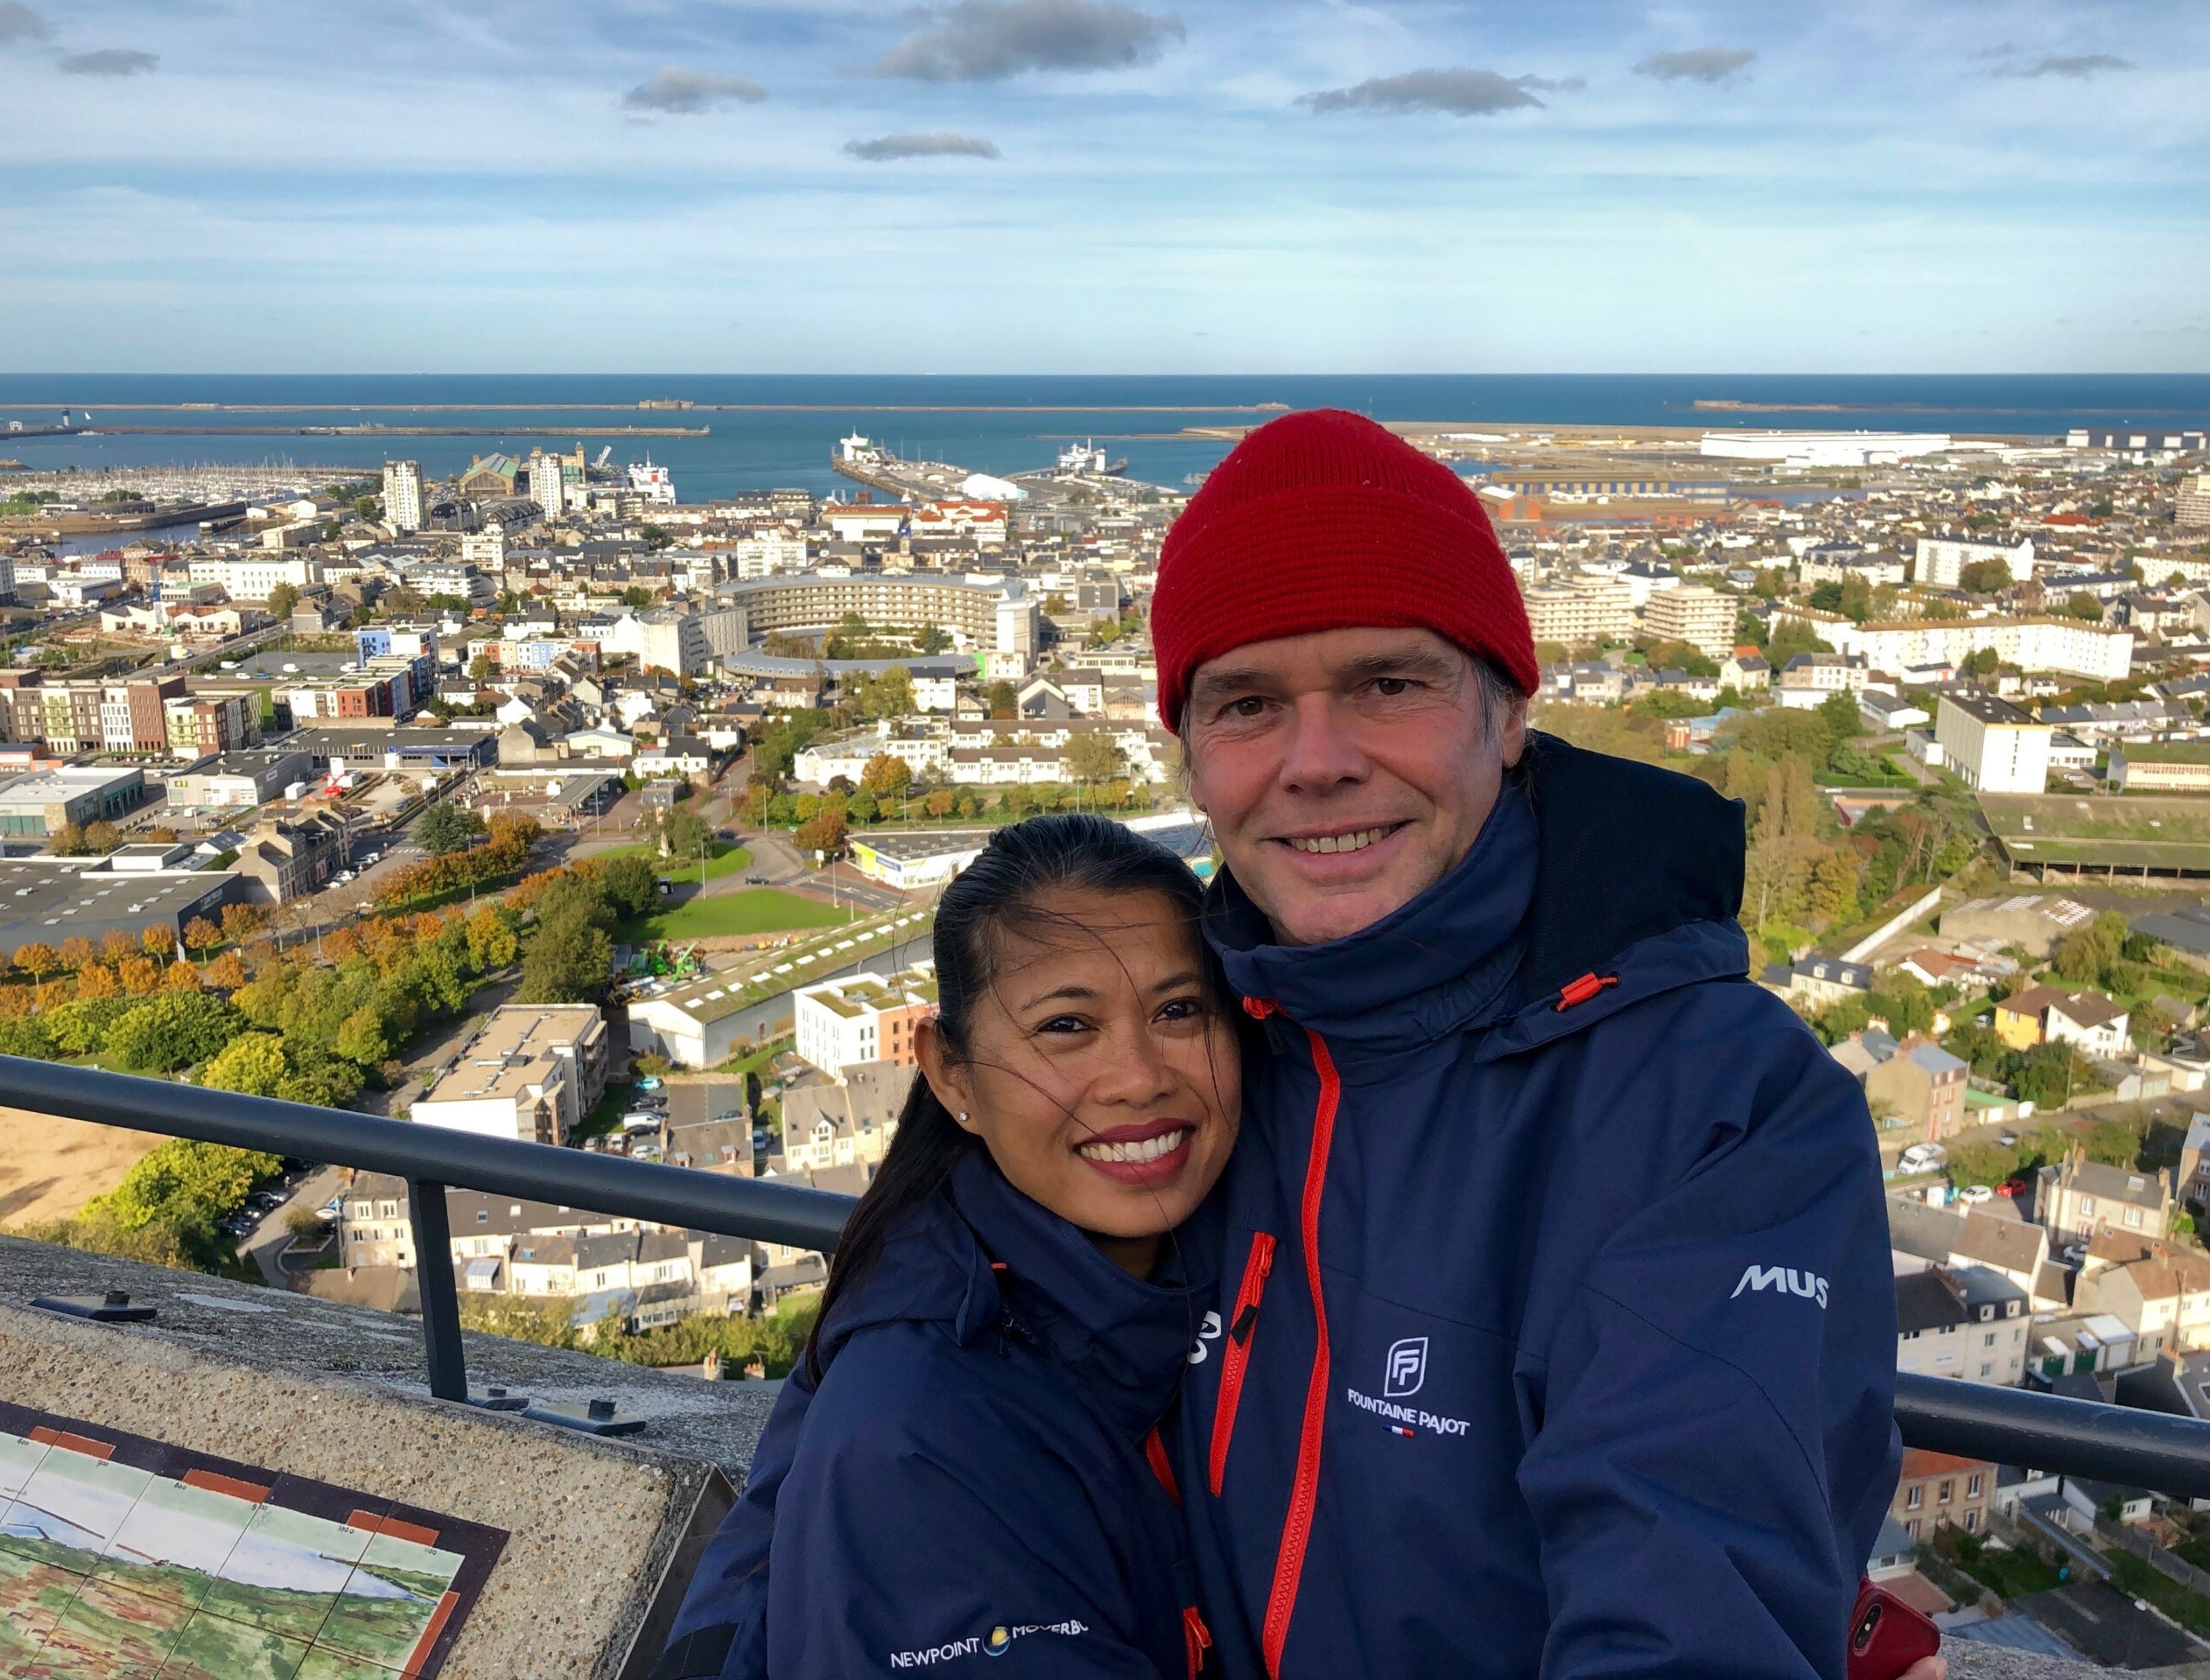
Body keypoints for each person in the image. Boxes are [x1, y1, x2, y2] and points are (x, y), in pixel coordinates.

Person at [1149, 407, 1935, 1680]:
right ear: (1189, 760)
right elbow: (894, 1376)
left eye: (1387, 685)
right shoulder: (1151, 1040)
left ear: (1508, 714)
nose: (1316, 763)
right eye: (1246, 703)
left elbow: (1690, 1589)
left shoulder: (1719, 1104)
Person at [659, 815, 1241, 1678]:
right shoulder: (914, 1434)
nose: (1140, 1074)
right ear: (951, 1074)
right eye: (1066, 1027)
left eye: (1179, 1010)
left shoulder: (1195, 1267)